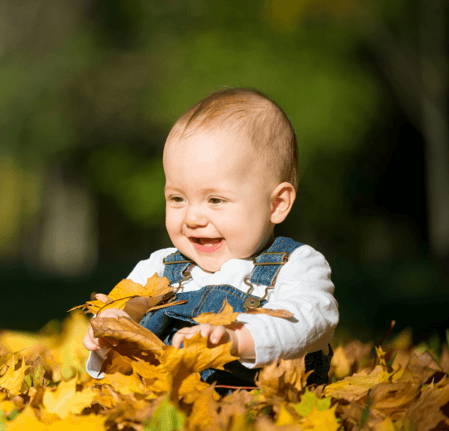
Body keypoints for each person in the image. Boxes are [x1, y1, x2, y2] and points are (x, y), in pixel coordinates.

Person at [82, 88, 338, 386]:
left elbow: (311, 322)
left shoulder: (297, 265)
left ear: (276, 204)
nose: (192, 218)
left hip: (262, 411)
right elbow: (125, 304)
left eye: (215, 200)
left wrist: (240, 338)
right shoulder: (161, 266)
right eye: (177, 198)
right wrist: (114, 327)